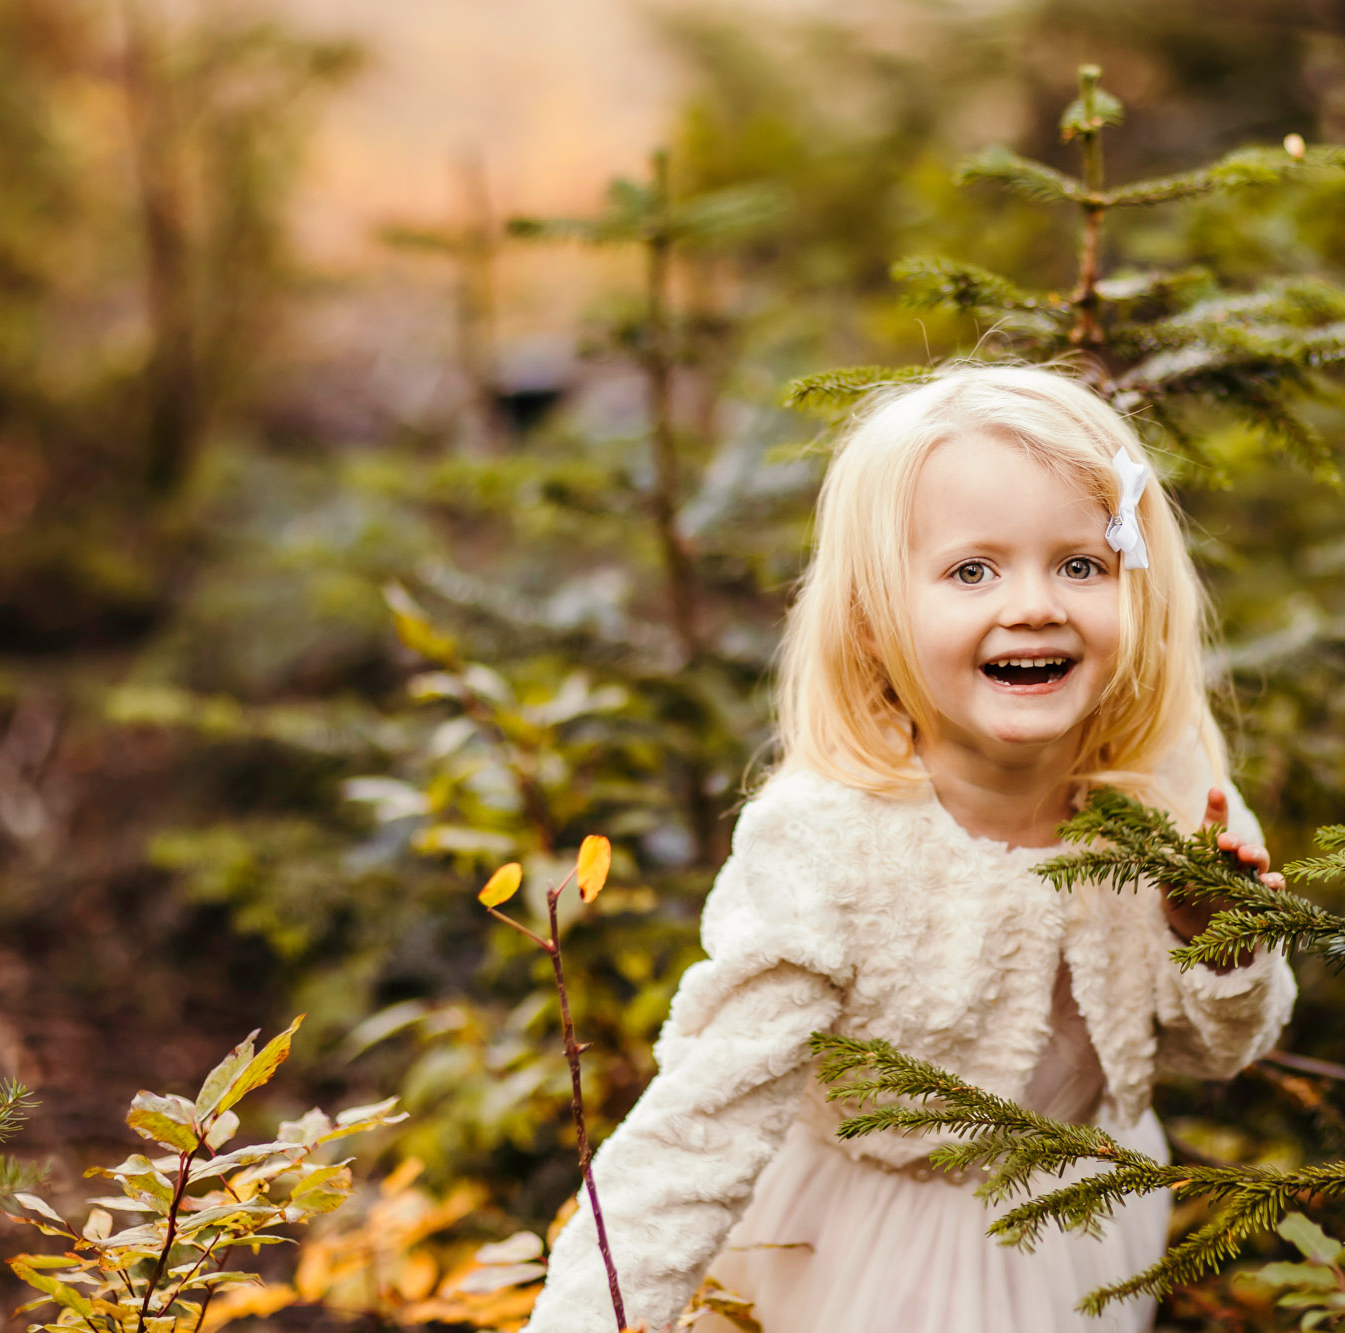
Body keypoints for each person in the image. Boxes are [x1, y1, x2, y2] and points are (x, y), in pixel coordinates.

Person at [524, 362, 1296, 1333]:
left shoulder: (1173, 793)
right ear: (874, 614)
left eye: (1079, 564)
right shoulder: (828, 838)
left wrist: (1220, 943)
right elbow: (704, 1121)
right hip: (864, 1254)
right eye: (972, 570)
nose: (1033, 605)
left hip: (1075, 1226)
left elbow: (1214, 1048)